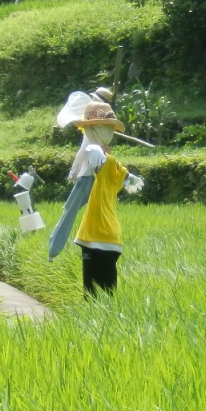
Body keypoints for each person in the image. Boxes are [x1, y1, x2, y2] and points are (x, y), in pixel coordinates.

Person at [68, 100, 143, 296]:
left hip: (99, 234)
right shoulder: (115, 165)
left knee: (96, 293)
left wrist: (95, 153)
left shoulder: (102, 159)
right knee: (100, 294)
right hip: (101, 235)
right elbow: (128, 178)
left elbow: (96, 158)